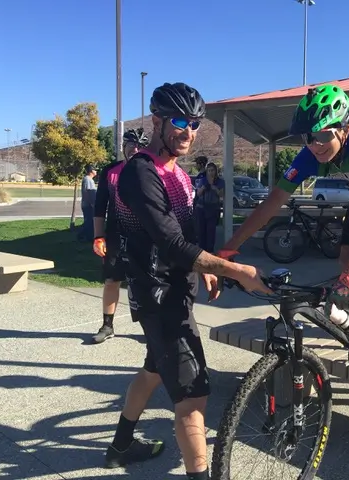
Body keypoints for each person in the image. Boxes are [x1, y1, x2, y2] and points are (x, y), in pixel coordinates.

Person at [107, 82, 270, 480]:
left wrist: (207, 268)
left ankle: (121, 446)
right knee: (193, 398)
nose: (189, 132)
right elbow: (171, 244)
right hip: (159, 298)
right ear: (157, 120)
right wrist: (238, 271)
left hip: (174, 293)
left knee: (153, 369)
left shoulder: (178, 173)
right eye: (180, 122)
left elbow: (187, 233)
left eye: (195, 124)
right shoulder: (140, 173)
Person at [220, 84, 349, 378]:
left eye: (321, 135)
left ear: (345, 130)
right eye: (307, 137)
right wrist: (229, 249)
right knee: (345, 256)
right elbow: (271, 204)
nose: (314, 144)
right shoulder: (309, 156)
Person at [91, 128, 149, 344]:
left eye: (140, 146)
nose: (135, 149)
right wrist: (98, 237)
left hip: (144, 237)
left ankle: (150, 328)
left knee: (146, 283)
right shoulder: (111, 171)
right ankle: (107, 326)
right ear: (124, 146)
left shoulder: (152, 171)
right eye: (131, 145)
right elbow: (100, 207)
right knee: (111, 280)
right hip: (116, 236)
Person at [195, 162, 224, 252]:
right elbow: (198, 193)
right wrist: (204, 187)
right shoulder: (203, 180)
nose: (211, 172)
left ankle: (210, 250)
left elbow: (221, 194)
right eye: (209, 171)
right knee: (201, 231)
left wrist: (213, 187)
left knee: (211, 231)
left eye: (213, 170)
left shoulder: (220, 181)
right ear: (207, 171)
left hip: (213, 208)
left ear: (216, 171)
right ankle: (202, 250)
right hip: (201, 207)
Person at [80, 164, 97, 241]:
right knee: (89, 222)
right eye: (95, 170)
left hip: (88, 204)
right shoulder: (88, 180)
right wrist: (92, 204)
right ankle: (85, 236)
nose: (96, 171)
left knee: (89, 221)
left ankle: (85, 236)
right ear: (91, 171)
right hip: (88, 205)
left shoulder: (88, 179)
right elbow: (89, 193)